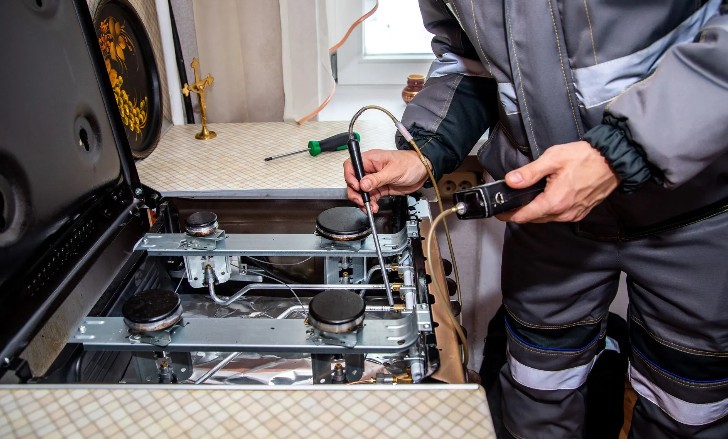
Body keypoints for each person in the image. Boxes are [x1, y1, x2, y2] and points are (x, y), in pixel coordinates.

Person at [343, 1, 728, 437]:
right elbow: (466, 60)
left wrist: (625, 150)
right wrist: (424, 150)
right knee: (536, 386)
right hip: (547, 217)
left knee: (690, 407)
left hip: (695, 205)